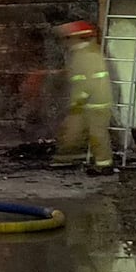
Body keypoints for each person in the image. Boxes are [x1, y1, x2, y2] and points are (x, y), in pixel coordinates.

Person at [51, 21, 114, 173]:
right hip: (86, 102)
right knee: (75, 130)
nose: (66, 42)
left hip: (96, 103)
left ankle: (104, 165)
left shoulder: (89, 55)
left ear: (77, 38)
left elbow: (90, 82)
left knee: (97, 134)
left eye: (68, 38)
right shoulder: (82, 53)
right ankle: (66, 158)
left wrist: (79, 99)